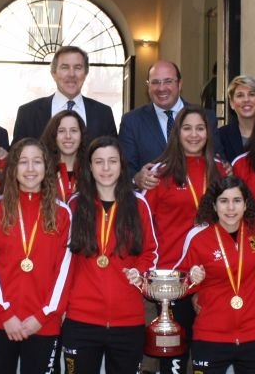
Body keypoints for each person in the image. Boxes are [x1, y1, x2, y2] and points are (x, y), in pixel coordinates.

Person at [62, 136, 158, 373]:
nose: (106, 168)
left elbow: (151, 251)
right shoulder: (73, 206)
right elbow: (63, 262)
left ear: (121, 165)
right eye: (99, 162)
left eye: (112, 161)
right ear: (89, 166)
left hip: (128, 319)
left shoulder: (139, 204)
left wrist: (140, 272)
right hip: (81, 318)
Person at [144, 106, 229, 374]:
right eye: (187, 128)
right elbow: (145, 224)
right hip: (173, 278)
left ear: (209, 133)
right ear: (177, 132)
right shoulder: (160, 172)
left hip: (212, 276)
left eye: (200, 128)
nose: (194, 135)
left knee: (203, 355)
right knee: (173, 357)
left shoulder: (220, 171)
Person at [0, 138, 72, 374]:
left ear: (46, 167)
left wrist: (42, 316)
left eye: (37, 162)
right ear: (12, 168)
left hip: (43, 323)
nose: (30, 169)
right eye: (23, 162)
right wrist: (6, 314)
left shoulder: (62, 213)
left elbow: (64, 271)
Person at [174, 176, 255, 374]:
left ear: (246, 205)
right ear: (214, 205)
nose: (230, 208)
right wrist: (191, 279)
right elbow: (179, 283)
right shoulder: (198, 237)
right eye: (224, 201)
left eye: (237, 201)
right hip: (211, 335)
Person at [118, 60, 224, 188]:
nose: (161, 88)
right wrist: (136, 178)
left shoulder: (206, 117)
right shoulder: (131, 122)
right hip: (152, 202)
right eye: (155, 82)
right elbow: (124, 168)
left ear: (180, 84)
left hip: (197, 200)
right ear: (148, 86)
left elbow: (217, 160)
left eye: (168, 81)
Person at [12, 46, 116, 144]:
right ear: (54, 73)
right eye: (65, 67)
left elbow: (113, 156)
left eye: (78, 67)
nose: (71, 74)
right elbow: (16, 157)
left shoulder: (104, 114)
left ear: (85, 74)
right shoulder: (28, 114)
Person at [40, 110, 87, 203]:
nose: (68, 136)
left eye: (73, 130)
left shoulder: (91, 171)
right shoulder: (42, 171)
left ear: (81, 135)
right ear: (53, 135)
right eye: (61, 131)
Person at [217, 75, 255, 163]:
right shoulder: (221, 136)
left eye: (251, 94)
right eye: (240, 95)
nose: (246, 100)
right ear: (231, 103)